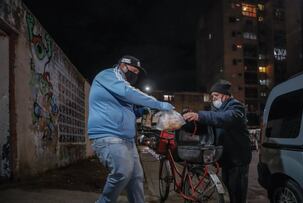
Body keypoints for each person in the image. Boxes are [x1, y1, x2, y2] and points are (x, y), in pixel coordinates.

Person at [88, 55, 174, 203]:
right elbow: (128, 92)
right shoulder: (108, 75)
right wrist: (159, 104)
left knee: (136, 178)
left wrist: (141, 111)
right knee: (122, 172)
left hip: (127, 140)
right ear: (122, 66)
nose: (135, 75)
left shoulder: (119, 85)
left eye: (137, 73)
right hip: (109, 136)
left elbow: (126, 111)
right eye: (133, 70)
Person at [183, 80, 252, 203]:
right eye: (212, 96)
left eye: (216, 95)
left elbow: (226, 118)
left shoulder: (236, 106)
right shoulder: (215, 111)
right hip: (225, 158)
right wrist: (184, 123)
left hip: (238, 159)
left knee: (237, 194)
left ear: (225, 95)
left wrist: (200, 116)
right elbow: (207, 125)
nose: (213, 99)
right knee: (227, 191)